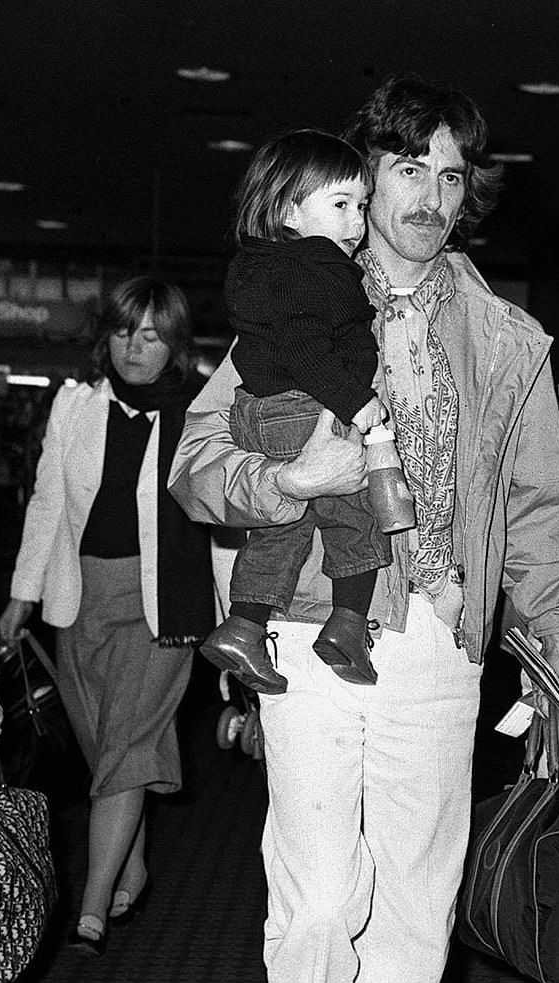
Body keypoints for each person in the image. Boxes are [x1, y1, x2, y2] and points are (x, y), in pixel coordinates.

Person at [169, 73, 559, 983]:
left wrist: (546, 635)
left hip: (444, 646)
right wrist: (283, 479)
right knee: (312, 904)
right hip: (309, 630)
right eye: (410, 167)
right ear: (370, 173)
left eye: (452, 175)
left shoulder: (504, 338)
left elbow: (541, 507)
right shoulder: (296, 290)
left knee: (414, 902)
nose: (429, 195)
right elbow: (197, 463)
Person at [0, 277, 214, 958]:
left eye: (151, 335)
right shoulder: (75, 407)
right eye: (124, 332)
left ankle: (90, 910)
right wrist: (21, 594)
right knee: (103, 750)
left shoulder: (198, 415)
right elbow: (46, 503)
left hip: (164, 607)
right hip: (78, 600)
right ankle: (133, 860)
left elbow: (225, 526)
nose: (134, 348)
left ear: (175, 344)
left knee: (125, 747)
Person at [200, 129, 395, 695]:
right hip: (307, 409)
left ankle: (244, 625)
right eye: (341, 206)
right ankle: (349, 624)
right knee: (353, 515)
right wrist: (358, 405)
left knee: (282, 527)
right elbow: (309, 347)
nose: (357, 222)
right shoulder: (315, 266)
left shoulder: (260, 267)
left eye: (361, 206)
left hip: (260, 413)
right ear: (287, 209)